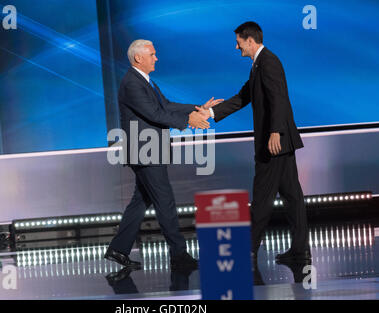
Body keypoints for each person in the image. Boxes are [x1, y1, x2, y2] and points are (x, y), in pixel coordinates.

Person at [104, 39, 222, 270]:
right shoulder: (132, 83)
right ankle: (179, 257)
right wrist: (189, 121)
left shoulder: (145, 81)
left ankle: (118, 250)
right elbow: (154, 113)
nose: (156, 58)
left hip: (149, 151)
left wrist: (197, 108)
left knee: (141, 201)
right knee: (165, 202)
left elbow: (166, 105)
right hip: (146, 153)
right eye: (152, 54)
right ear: (139, 58)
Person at [200, 22, 311, 263]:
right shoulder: (258, 64)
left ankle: (248, 248)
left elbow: (279, 98)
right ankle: (300, 250)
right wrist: (209, 113)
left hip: (275, 142)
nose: (236, 46)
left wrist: (275, 132)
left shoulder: (268, 61)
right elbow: (243, 97)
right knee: (292, 195)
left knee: (262, 196)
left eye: (238, 41)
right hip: (280, 140)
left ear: (250, 41)